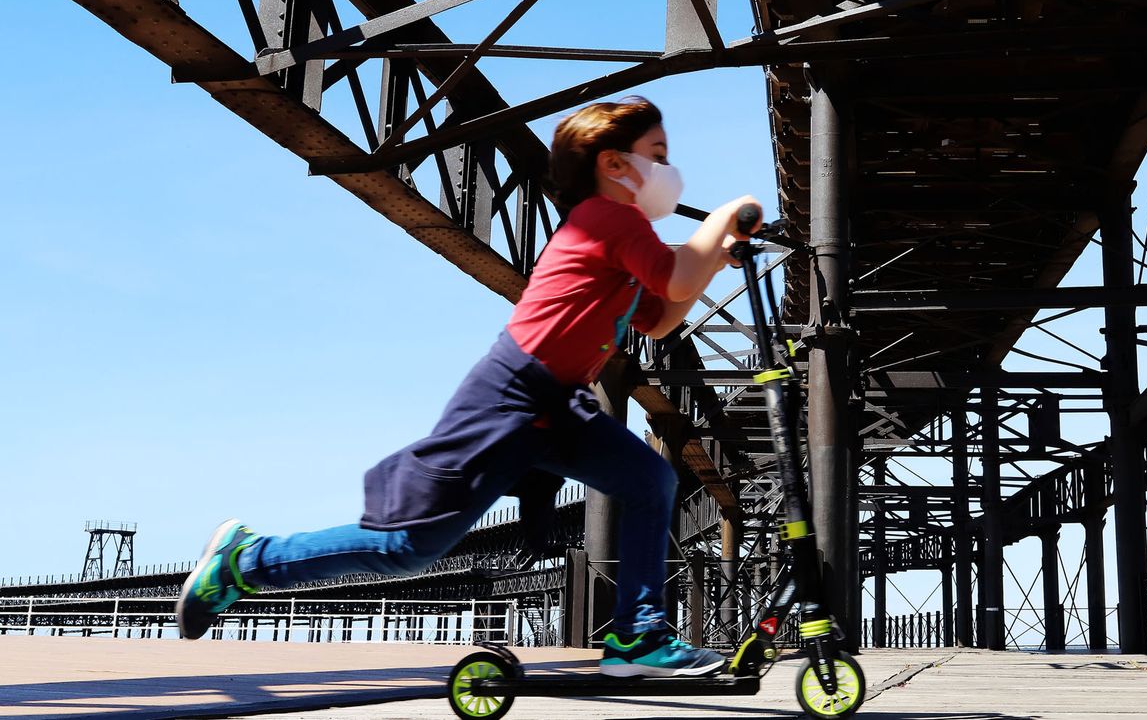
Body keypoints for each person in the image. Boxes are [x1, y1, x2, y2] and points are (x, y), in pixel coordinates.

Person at [174, 97, 758, 678]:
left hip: (558, 404)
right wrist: (722, 219)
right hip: (509, 397)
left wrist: (713, 256)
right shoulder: (607, 219)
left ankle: (638, 637)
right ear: (613, 164)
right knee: (405, 548)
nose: (668, 169)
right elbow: (676, 276)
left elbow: (660, 317)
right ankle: (245, 561)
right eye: (657, 154)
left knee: (648, 478)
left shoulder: (621, 233)